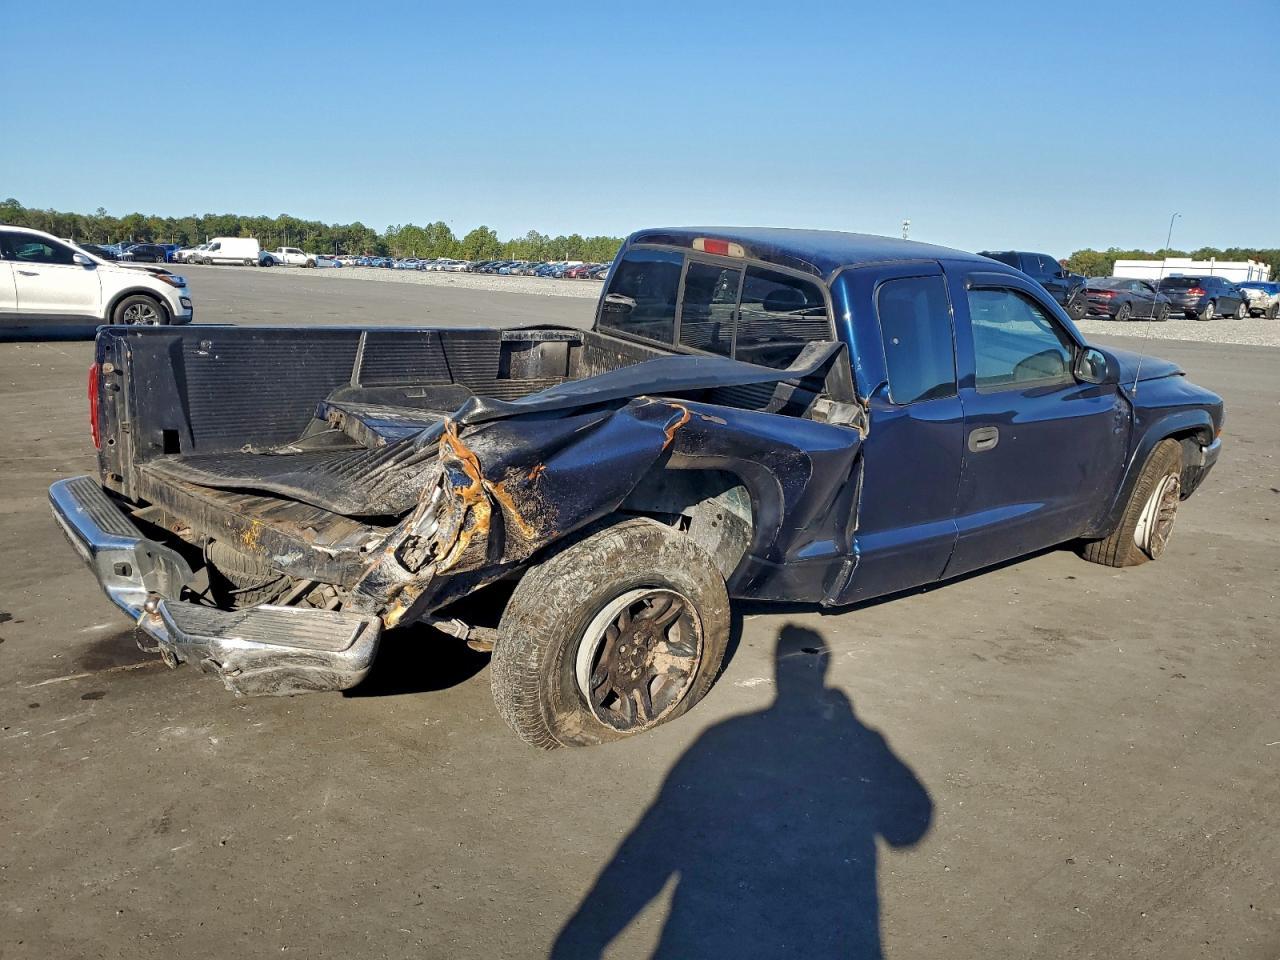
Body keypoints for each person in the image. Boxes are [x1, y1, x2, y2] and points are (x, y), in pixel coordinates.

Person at [551, 624, 933, 959]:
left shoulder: (723, 739)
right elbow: (907, 829)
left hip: (709, 934)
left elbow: (653, 842)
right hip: (830, 935)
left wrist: (583, 939)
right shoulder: (859, 743)